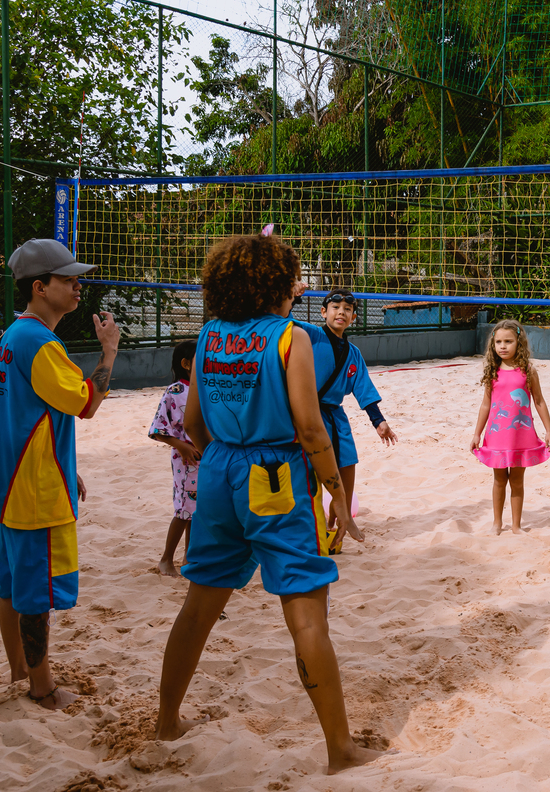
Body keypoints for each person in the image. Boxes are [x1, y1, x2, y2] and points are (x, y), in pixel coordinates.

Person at [154, 233, 382, 773]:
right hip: (274, 473)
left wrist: (226, 465)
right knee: (306, 613)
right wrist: (337, 491)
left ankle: (166, 721)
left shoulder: (208, 335)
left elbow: (191, 426)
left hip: (217, 469)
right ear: (278, 285)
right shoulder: (291, 337)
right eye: (292, 279)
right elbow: (308, 426)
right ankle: (340, 750)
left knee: (199, 604)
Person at [0, 238, 120, 710]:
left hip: (13, 481)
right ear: (40, 288)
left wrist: (67, 467)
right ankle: (41, 688)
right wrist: (108, 353)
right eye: (68, 279)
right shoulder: (38, 341)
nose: (78, 286)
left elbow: (30, 414)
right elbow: (86, 402)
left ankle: (19, 671)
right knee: (34, 594)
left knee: (13, 584)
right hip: (33, 488)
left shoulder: (13, 335)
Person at [302, 289, 397, 551]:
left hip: (335, 414)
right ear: (323, 312)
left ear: (353, 318)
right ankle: (319, 529)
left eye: (347, 309)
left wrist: (379, 421)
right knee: (310, 474)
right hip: (308, 411)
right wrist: (292, 293)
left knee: (348, 462)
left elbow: (362, 387)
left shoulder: (353, 352)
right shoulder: (309, 335)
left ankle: (338, 525)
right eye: (335, 307)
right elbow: (280, 320)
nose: (341, 312)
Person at [470, 319, 550, 535]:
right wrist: (476, 434)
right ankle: (497, 523)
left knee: (517, 481)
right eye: (498, 342)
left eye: (508, 341)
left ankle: (516, 525)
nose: (503, 346)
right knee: (499, 480)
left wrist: (549, 430)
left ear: (519, 342)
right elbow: (486, 404)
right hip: (497, 435)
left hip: (521, 435)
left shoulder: (528, 370)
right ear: (493, 344)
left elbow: (539, 401)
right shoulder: (492, 370)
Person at [148, 340, 200, 577]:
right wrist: (181, 445)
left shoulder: (206, 388)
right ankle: (166, 558)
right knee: (183, 510)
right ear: (186, 363)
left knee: (197, 510)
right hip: (186, 461)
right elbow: (158, 429)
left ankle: (189, 557)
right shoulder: (175, 392)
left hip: (205, 458)